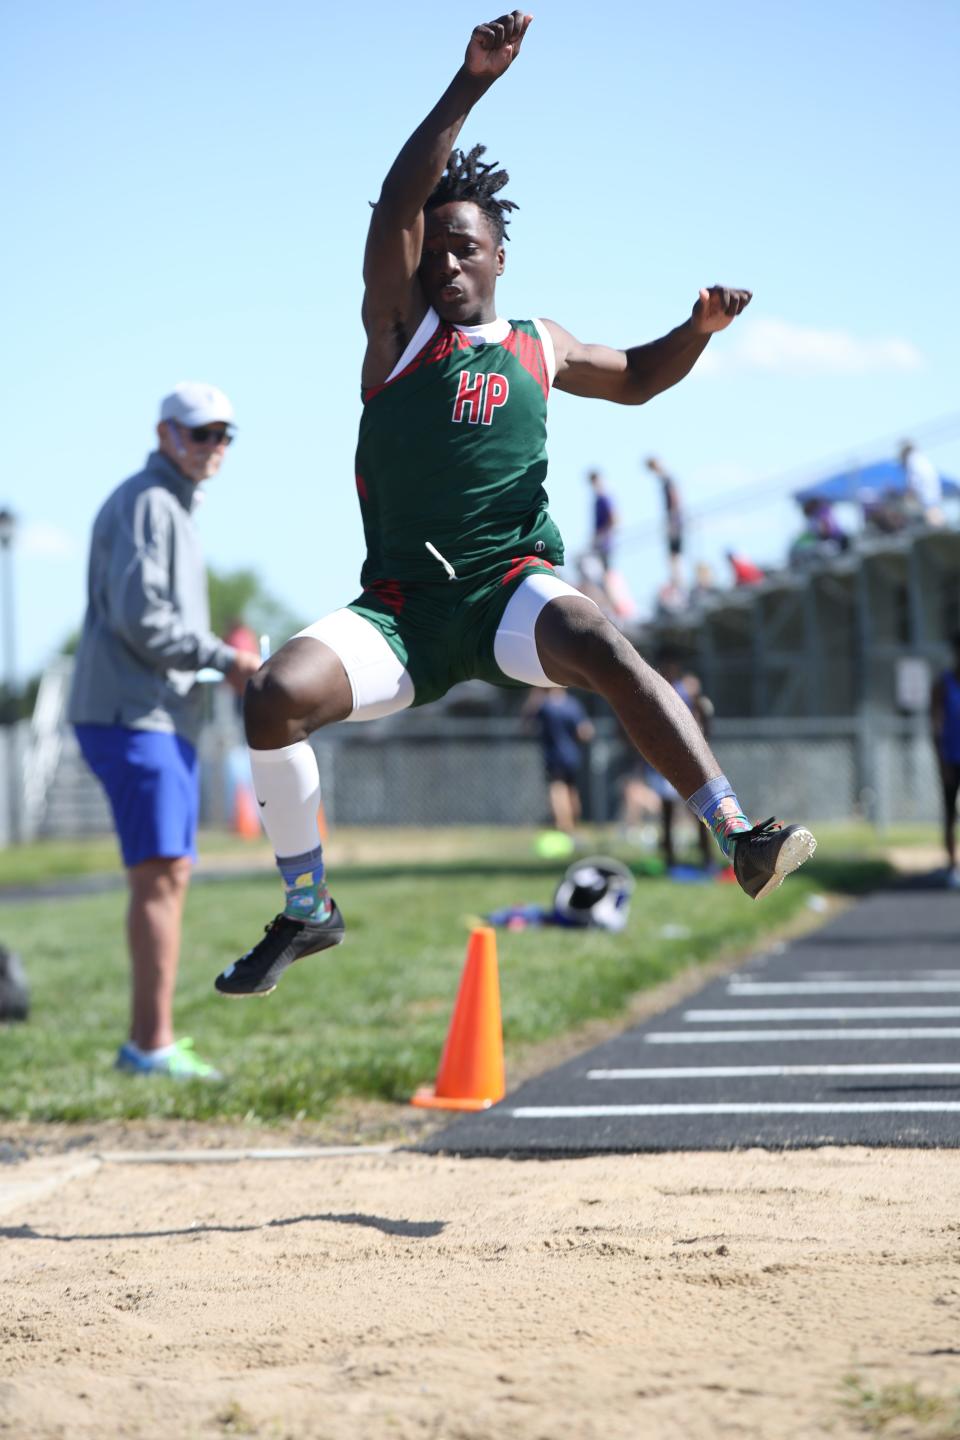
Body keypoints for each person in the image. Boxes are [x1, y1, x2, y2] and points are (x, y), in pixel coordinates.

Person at [214, 12, 816, 1001]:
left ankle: (739, 835)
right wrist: (468, 85)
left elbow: (637, 380)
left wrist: (697, 328)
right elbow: (396, 208)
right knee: (273, 697)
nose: (445, 262)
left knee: (605, 637)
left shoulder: (542, 340)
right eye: (434, 250)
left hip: (506, 594)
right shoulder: (398, 330)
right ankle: (307, 906)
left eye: (465, 249)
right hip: (405, 613)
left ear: (499, 258)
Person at [68, 382, 261, 1076]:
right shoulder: (152, 503)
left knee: (167, 872)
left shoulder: (170, 503)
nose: (215, 447)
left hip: (151, 713)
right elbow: (142, 620)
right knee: (160, 874)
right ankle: (149, 1045)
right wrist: (226, 658)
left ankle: (149, 1041)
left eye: (223, 435)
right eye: (202, 432)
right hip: (133, 713)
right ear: (166, 435)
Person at [524, 687, 595, 835]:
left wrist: (534, 694)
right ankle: (574, 826)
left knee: (557, 790)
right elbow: (585, 732)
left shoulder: (544, 705)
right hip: (572, 755)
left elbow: (526, 725)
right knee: (572, 790)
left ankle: (564, 827)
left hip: (554, 755)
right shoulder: (572, 704)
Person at [930, 632, 960, 888]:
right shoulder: (943, 685)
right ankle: (952, 866)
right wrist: (942, 765)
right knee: (950, 814)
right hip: (952, 759)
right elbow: (937, 728)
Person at [646, 456, 684, 589]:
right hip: (674, 520)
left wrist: (672, 521)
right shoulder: (665, 479)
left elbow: (675, 499)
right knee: (673, 556)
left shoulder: (667, 479)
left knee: (674, 556)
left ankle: (679, 586)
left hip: (674, 522)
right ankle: (677, 584)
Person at [900, 440, 944, 528]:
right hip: (932, 492)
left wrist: (911, 491)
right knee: (934, 512)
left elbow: (914, 479)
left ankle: (939, 531)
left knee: (932, 514)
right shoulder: (920, 458)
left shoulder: (912, 460)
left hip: (926, 493)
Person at [587, 470, 617, 571]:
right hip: (600, 542)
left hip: (605, 542)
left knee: (607, 570)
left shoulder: (604, 498)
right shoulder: (599, 499)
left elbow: (614, 518)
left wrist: (603, 535)